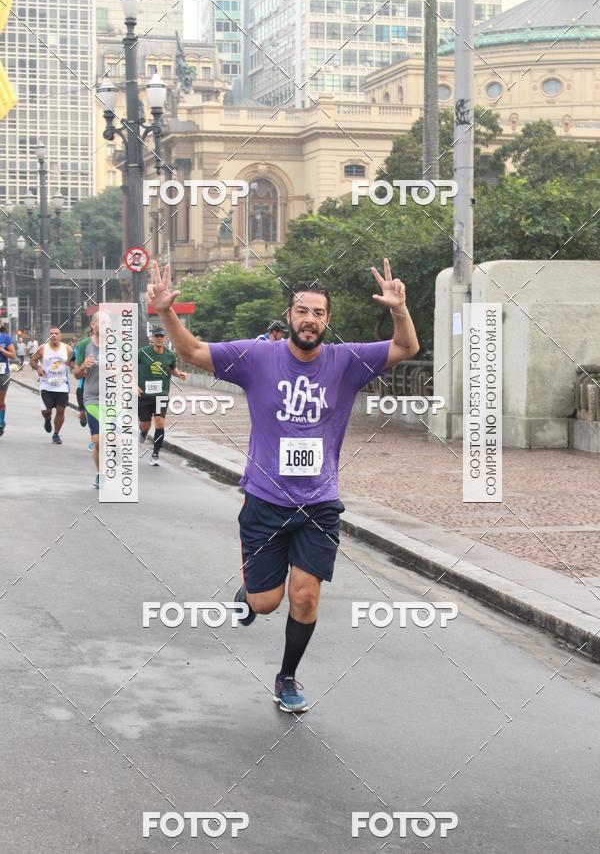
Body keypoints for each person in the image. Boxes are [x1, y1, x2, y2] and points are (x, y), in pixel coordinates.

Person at [147, 258, 419, 713]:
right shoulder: (257, 358)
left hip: (319, 503)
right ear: (289, 316)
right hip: (266, 501)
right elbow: (192, 352)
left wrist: (399, 309)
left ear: (327, 320)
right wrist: (165, 312)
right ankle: (250, 595)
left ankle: (287, 676)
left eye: (318, 312)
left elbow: (406, 347)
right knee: (266, 602)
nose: (309, 319)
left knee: (306, 597)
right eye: (302, 311)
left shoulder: (346, 362)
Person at [137, 327, 188, 466]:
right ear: (152, 338)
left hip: (161, 395)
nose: (159, 338)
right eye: (156, 336)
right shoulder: (142, 353)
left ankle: (155, 454)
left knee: (159, 422)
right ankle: (143, 432)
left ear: (166, 338)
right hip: (144, 395)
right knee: (145, 425)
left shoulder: (170, 355)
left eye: (161, 336)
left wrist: (179, 374)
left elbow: (172, 369)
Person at [74, 312, 106, 488]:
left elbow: (128, 368)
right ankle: (101, 474)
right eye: (101, 322)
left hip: (113, 399)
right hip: (92, 398)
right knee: (97, 440)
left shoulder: (117, 345)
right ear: (93, 325)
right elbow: (76, 373)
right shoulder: (84, 345)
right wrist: (83, 366)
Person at [30, 328, 72, 444]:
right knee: (46, 412)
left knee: (61, 410)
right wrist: (38, 367)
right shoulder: (42, 348)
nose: (54, 335)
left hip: (62, 385)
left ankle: (56, 434)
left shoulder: (67, 349)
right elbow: (32, 360)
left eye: (56, 333)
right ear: (48, 336)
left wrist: (76, 366)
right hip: (46, 385)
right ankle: (47, 419)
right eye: (51, 333)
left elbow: (73, 361)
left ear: (60, 336)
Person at [0, 323, 16, 437]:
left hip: (2, 373)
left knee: (0, 401)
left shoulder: (5, 338)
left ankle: (0, 424)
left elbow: (13, 355)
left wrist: (1, 349)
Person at [70, 336, 89, 428]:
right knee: (82, 413)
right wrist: (79, 369)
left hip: (96, 388)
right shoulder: (80, 347)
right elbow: (71, 360)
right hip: (82, 387)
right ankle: (82, 415)